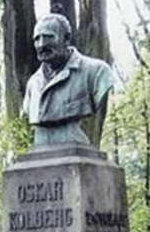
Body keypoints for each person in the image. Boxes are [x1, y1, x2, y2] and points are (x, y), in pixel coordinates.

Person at [22, 13, 114, 147]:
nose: (41, 44)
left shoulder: (96, 72)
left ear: (66, 39)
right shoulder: (33, 84)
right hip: (41, 148)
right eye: (37, 39)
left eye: (48, 37)